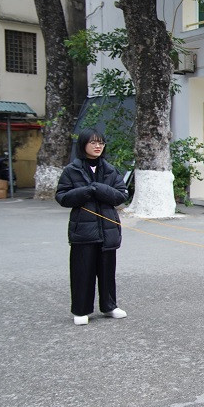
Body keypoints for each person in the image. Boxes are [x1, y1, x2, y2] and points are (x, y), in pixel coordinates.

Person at [56, 129, 129, 326]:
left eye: (101, 143)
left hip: (108, 228)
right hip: (83, 230)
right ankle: (81, 309)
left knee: (107, 271)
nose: (98, 146)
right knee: (82, 271)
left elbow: (121, 195)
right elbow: (62, 197)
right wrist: (86, 191)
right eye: (93, 143)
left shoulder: (110, 170)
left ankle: (109, 306)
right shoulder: (72, 170)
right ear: (83, 145)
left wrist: (99, 189)